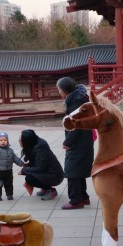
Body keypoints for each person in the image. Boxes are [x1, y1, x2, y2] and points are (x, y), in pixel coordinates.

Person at [57, 77, 95, 210]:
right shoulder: (79, 99)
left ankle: (75, 200)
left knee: (72, 171)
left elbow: (76, 125)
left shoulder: (75, 103)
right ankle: (84, 197)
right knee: (78, 170)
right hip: (85, 141)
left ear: (65, 90)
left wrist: (67, 142)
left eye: (59, 89)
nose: (59, 92)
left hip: (78, 142)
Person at [18, 129, 65, 200]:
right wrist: (28, 165)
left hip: (55, 176)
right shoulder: (35, 144)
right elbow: (38, 162)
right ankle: (45, 188)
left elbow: (39, 168)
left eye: (21, 141)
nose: (19, 142)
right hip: (49, 172)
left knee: (29, 178)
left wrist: (24, 170)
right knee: (29, 173)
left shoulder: (40, 149)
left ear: (27, 141)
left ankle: (50, 190)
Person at [0, 131, 25, 201]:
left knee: (9, 183)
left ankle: (9, 194)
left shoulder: (10, 150)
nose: (3, 142)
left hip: (8, 171)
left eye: (5, 140)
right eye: (1, 140)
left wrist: (21, 163)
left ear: (7, 141)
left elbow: (14, 158)